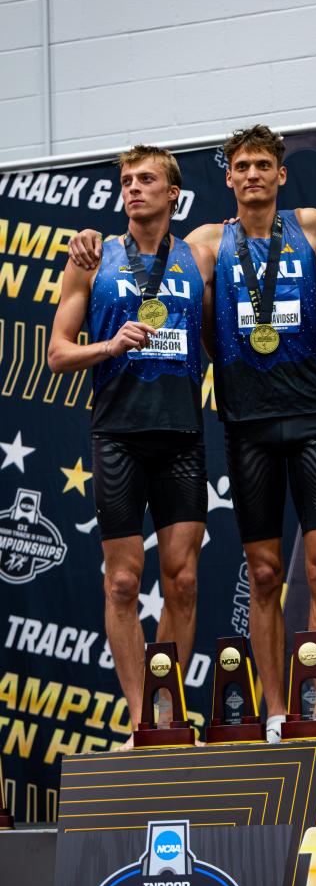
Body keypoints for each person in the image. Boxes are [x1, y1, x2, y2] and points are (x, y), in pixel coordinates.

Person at [49, 145, 215, 744]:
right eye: (126, 180)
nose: (133, 188)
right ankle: (142, 720)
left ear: (174, 193)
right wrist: (109, 346)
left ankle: (167, 714)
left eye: (147, 179)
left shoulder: (199, 255)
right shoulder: (93, 258)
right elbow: (57, 352)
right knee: (122, 582)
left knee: (184, 581)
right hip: (118, 436)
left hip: (181, 437)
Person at [187, 125, 316, 742]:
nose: (252, 174)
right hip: (247, 424)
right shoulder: (207, 241)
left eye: (262, 165)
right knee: (263, 573)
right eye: (241, 166)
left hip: (313, 418)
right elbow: (155, 267)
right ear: (228, 176)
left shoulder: (313, 226)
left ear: (281, 173)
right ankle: (277, 710)